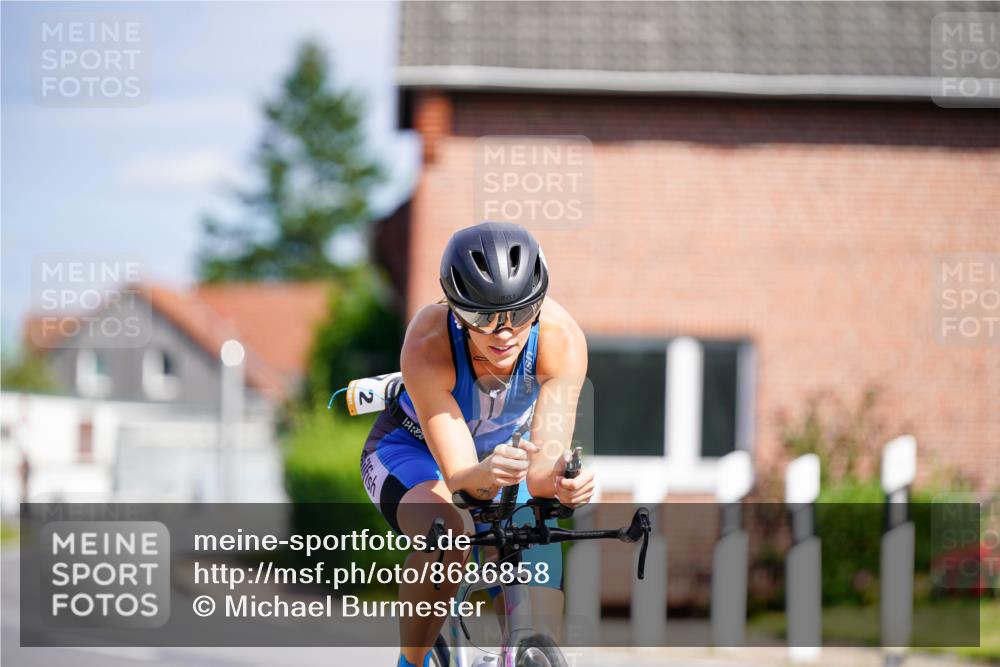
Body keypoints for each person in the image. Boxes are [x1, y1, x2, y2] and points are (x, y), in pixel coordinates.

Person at [359, 221, 595, 667]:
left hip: (503, 459)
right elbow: (462, 479)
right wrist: (484, 476)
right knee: (449, 536)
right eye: (482, 318)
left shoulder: (561, 341)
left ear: (540, 303)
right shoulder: (429, 341)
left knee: (537, 550)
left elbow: (544, 473)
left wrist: (564, 485)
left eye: (521, 315)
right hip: (410, 453)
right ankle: (413, 661)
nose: (503, 334)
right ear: (454, 310)